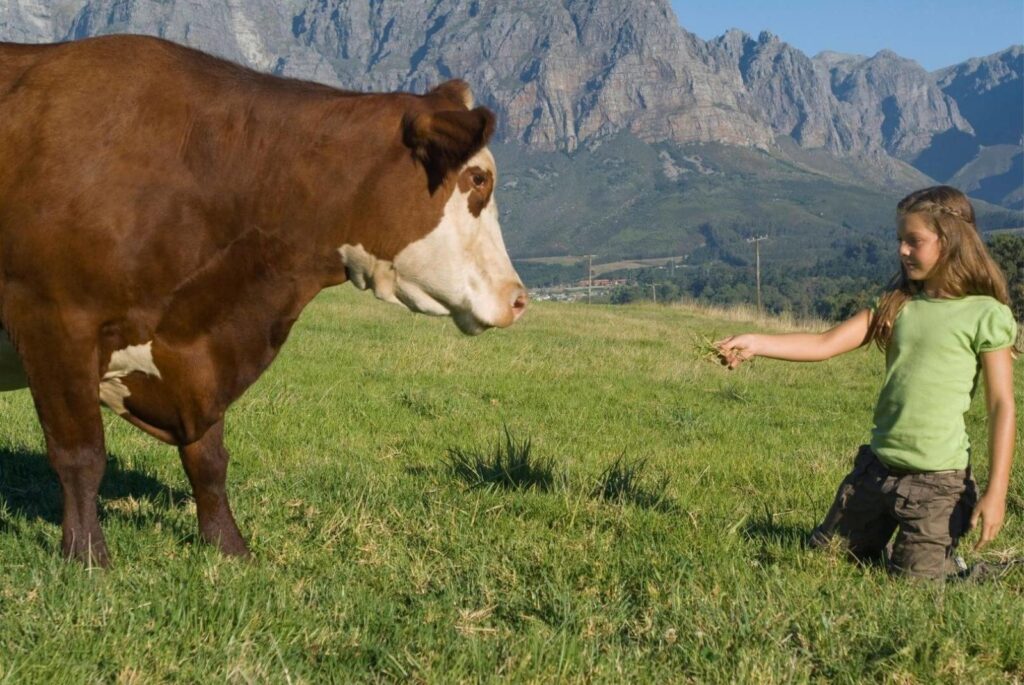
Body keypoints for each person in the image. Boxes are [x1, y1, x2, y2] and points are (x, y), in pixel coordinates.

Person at [715, 186, 1017, 580]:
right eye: (899, 240)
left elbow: (1001, 406)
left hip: (938, 484)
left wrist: (997, 492)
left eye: (914, 241)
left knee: (917, 585)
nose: (902, 251)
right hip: (876, 471)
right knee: (827, 557)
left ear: (952, 241)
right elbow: (824, 343)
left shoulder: (986, 315)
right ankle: (902, 545)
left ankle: (969, 571)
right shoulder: (897, 303)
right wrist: (755, 343)